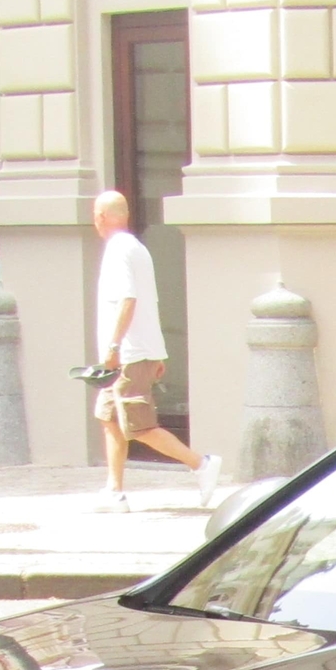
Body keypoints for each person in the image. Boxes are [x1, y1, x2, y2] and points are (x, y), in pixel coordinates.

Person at [92, 190, 221, 499]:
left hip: (127, 355)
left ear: (101, 218)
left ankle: (201, 464)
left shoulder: (117, 250)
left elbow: (129, 300)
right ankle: (114, 489)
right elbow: (151, 301)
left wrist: (113, 348)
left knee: (139, 426)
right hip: (136, 352)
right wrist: (157, 350)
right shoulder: (137, 248)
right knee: (108, 417)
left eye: (95, 216)